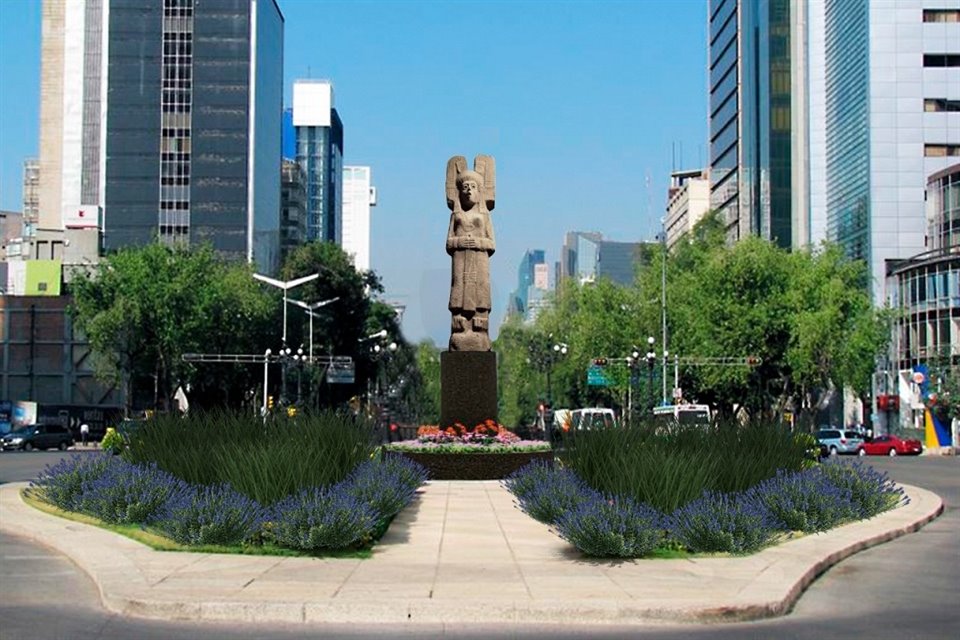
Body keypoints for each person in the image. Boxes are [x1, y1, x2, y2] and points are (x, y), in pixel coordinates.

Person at [445, 156, 496, 351]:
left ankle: (479, 331)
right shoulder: (456, 215)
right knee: (459, 292)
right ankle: (460, 329)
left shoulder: (484, 215)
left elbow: (492, 243)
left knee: (480, 293)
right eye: (464, 187)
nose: (468, 191)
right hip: (460, 261)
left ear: (480, 191)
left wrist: (477, 242)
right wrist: (460, 242)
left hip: (480, 260)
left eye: (473, 187)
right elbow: (449, 242)